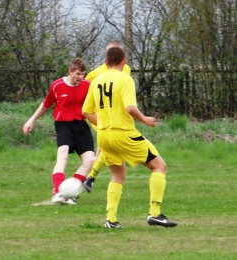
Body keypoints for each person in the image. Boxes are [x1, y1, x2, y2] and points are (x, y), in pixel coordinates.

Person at [82, 47, 177, 228]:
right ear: (124, 61)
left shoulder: (96, 81)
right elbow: (130, 108)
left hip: (104, 137)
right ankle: (155, 214)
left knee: (117, 176)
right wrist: (145, 120)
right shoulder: (125, 79)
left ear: (105, 62)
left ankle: (110, 220)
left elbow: (86, 111)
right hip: (124, 134)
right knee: (159, 166)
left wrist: (103, 123)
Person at [23, 58, 95, 205]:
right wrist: (31, 120)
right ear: (70, 71)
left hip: (81, 125)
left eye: (83, 74)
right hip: (63, 125)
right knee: (62, 157)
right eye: (78, 74)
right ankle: (58, 193)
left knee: (90, 161)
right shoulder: (57, 86)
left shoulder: (88, 86)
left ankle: (69, 191)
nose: (80, 78)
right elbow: (45, 105)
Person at [83, 41, 131, 193]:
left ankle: (89, 179)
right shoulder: (94, 75)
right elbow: (86, 99)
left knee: (107, 148)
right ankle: (85, 181)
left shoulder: (126, 70)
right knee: (107, 146)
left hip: (117, 117)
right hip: (100, 117)